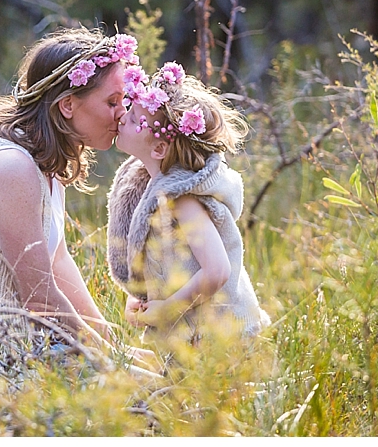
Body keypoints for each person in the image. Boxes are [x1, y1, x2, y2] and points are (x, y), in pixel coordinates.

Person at [0, 27, 157, 368]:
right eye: (112, 102)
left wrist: (116, 347)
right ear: (67, 105)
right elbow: (41, 299)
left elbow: (57, 262)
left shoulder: (42, 158)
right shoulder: (10, 167)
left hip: (20, 346)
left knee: (164, 378)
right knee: (159, 398)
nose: (122, 113)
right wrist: (116, 363)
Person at [107, 61, 271, 344]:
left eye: (134, 119)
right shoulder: (150, 187)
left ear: (159, 148)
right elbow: (165, 260)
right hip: (192, 336)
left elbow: (217, 270)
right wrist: (145, 300)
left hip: (220, 337)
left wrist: (168, 309)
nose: (123, 118)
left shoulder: (183, 200)